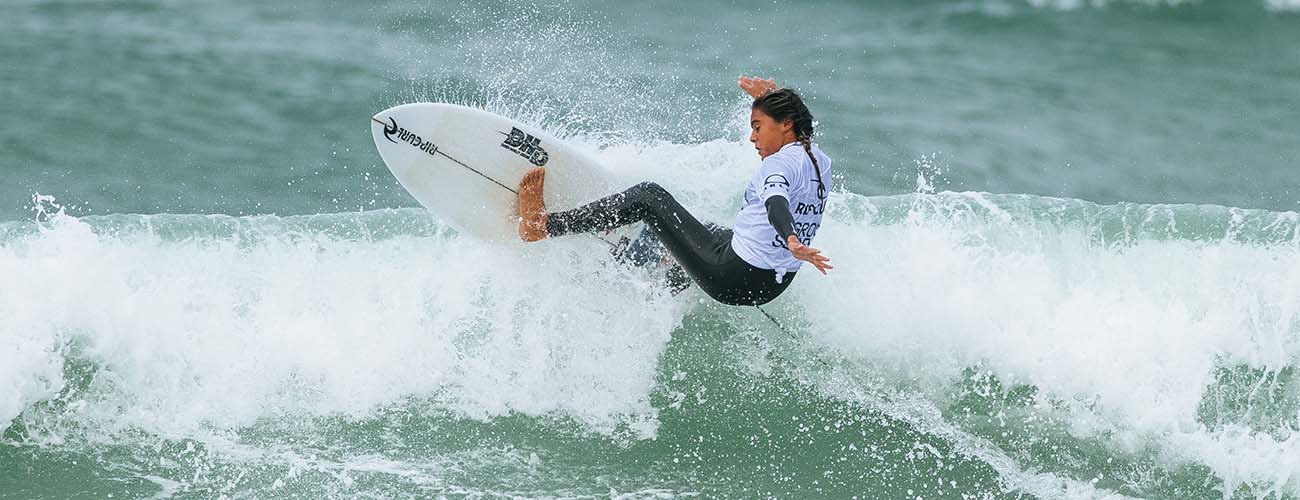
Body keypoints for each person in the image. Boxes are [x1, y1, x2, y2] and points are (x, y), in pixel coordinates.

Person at [516, 77, 832, 306]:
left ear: (786, 124)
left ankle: (541, 226)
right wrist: (771, 97)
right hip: (771, 283)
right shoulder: (818, 160)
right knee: (707, 230)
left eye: (758, 126)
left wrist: (790, 237)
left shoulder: (775, 166)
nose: (752, 137)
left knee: (648, 197)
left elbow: (777, 202)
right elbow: (789, 183)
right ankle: (663, 289)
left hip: (734, 277)